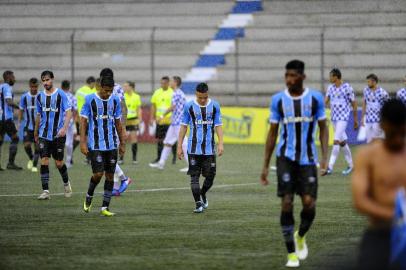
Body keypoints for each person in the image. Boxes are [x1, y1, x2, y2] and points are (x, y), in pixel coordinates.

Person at [260, 60, 329, 268]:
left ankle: (300, 235)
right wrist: (265, 166)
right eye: (286, 75)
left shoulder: (315, 99)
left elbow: (323, 128)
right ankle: (291, 253)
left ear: (302, 77)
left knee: (309, 204)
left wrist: (325, 158)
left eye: (293, 76)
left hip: (308, 159)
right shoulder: (278, 100)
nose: (289, 80)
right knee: (287, 202)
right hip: (285, 159)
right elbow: (272, 134)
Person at [352, 98, 406, 270]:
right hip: (379, 234)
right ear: (383, 126)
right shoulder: (367, 156)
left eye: (402, 133)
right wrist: (396, 217)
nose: (398, 139)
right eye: (393, 134)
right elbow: (360, 201)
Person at [81, 76, 125, 217]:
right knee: (98, 174)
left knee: (110, 176)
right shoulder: (89, 99)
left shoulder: (115, 100)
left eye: (110, 91)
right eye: (106, 90)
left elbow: (118, 123)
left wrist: (122, 143)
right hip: (95, 144)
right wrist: (82, 142)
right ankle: (89, 195)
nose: (108, 93)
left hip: (112, 144)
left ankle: (105, 207)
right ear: (100, 87)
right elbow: (83, 122)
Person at [177, 82, 224, 213]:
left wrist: (221, 143)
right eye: (200, 97)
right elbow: (183, 126)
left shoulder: (215, 106)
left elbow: (218, 125)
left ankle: (203, 193)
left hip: (209, 150)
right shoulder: (189, 106)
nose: (202, 100)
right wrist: (179, 146)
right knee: (194, 177)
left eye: (205, 97)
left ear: (207, 94)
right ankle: (198, 203)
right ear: (196, 95)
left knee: (210, 175)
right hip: (193, 149)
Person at [34, 70, 72, 200]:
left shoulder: (61, 94)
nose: (45, 83)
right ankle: (45, 191)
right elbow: (38, 115)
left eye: (47, 80)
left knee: (59, 163)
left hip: (58, 135)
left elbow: (68, 112)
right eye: (43, 80)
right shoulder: (39, 97)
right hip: (44, 134)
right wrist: (36, 132)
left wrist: (64, 128)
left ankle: (66, 183)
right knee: (44, 160)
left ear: (52, 79)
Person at [99, 68, 132, 196]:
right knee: (112, 157)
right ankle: (116, 188)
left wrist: (122, 128)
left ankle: (124, 178)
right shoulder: (113, 88)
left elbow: (123, 108)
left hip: (113, 128)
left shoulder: (115, 89)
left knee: (107, 157)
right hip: (108, 127)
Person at [150, 76, 188, 172]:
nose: (170, 82)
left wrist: (161, 116)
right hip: (175, 123)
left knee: (184, 144)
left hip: (179, 123)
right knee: (167, 142)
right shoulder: (178, 93)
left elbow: (172, 107)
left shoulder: (177, 93)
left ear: (175, 83)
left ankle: (192, 166)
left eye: (171, 81)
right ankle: (161, 163)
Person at [325, 68, 358, 175]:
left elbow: (353, 103)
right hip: (334, 118)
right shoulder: (330, 88)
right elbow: (326, 101)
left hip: (343, 118)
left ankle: (329, 167)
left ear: (336, 77)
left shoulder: (347, 87)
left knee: (336, 141)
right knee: (343, 142)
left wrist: (355, 119)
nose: (329, 78)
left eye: (331, 76)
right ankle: (351, 165)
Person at [149, 76, 176, 166]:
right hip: (159, 120)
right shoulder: (157, 92)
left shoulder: (172, 92)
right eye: (161, 83)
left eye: (164, 83)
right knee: (160, 140)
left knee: (171, 140)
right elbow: (153, 106)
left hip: (169, 120)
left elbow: (174, 106)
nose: (162, 84)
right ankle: (159, 157)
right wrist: (151, 118)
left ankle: (174, 157)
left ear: (168, 83)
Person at [0, 70, 22, 170]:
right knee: (15, 138)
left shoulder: (1, 87)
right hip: (6, 119)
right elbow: (8, 101)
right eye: (13, 77)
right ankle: (10, 163)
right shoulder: (6, 87)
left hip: (0, 118)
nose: (14, 79)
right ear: (8, 77)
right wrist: (19, 107)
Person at [17, 77, 40, 172]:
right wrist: (18, 123)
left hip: (39, 127)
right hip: (28, 126)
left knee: (38, 147)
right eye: (32, 87)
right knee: (26, 145)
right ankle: (31, 158)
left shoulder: (41, 96)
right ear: (29, 86)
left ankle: (34, 165)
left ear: (38, 86)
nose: (34, 89)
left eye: (35, 87)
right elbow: (21, 110)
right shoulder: (24, 97)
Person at [361, 74, 389, 143]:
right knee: (369, 141)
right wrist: (362, 117)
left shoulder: (382, 93)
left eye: (369, 82)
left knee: (378, 141)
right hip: (368, 119)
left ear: (374, 82)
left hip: (378, 120)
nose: (367, 83)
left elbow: (388, 106)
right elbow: (364, 103)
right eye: (367, 82)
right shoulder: (366, 90)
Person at [75, 76, 96, 164]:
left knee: (82, 137)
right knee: (88, 138)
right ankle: (89, 158)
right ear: (91, 83)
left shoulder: (79, 91)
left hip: (80, 117)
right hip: (88, 118)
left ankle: (70, 155)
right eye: (94, 83)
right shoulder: (91, 92)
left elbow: (76, 105)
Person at [120, 81, 142, 164]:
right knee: (122, 139)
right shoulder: (122, 96)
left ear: (131, 87)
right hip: (124, 121)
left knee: (134, 139)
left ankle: (134, 159)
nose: (124, 88)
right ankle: (121, 158)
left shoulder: (137, 97)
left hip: (133, 120)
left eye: (126, 86)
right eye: (124, 86)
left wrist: (140, 119)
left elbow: (138, 109)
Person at [61, 80, 77, 168]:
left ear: (61, 86)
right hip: (69, 123)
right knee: (68, 143)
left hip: (59, 123)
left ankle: (60, 160)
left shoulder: (57, 96)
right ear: (69, 87)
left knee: (59, 143)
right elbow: (75, 110)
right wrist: (73, 121)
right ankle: (68, 161)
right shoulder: (72, 97)